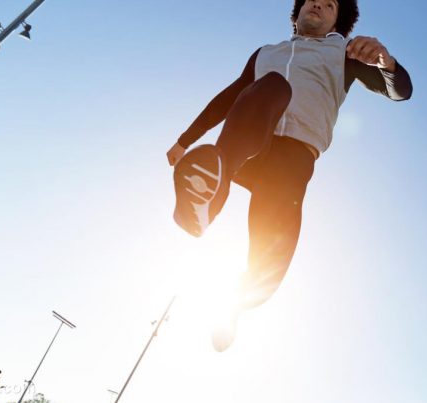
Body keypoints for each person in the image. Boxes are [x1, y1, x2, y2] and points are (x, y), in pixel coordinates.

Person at [167, 0, 413, 352]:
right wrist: (184, 140)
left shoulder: (345, 54)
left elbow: (400, 91)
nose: (319, 4)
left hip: (293, 160)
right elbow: (227, 98)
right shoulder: (265, 53)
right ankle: (210, 194)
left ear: (337, 20)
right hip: (248, 143)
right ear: (297, 12)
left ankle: (234, 306)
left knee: (270, 261)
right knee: (274, 86)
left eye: (330, 4)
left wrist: (386, 63)